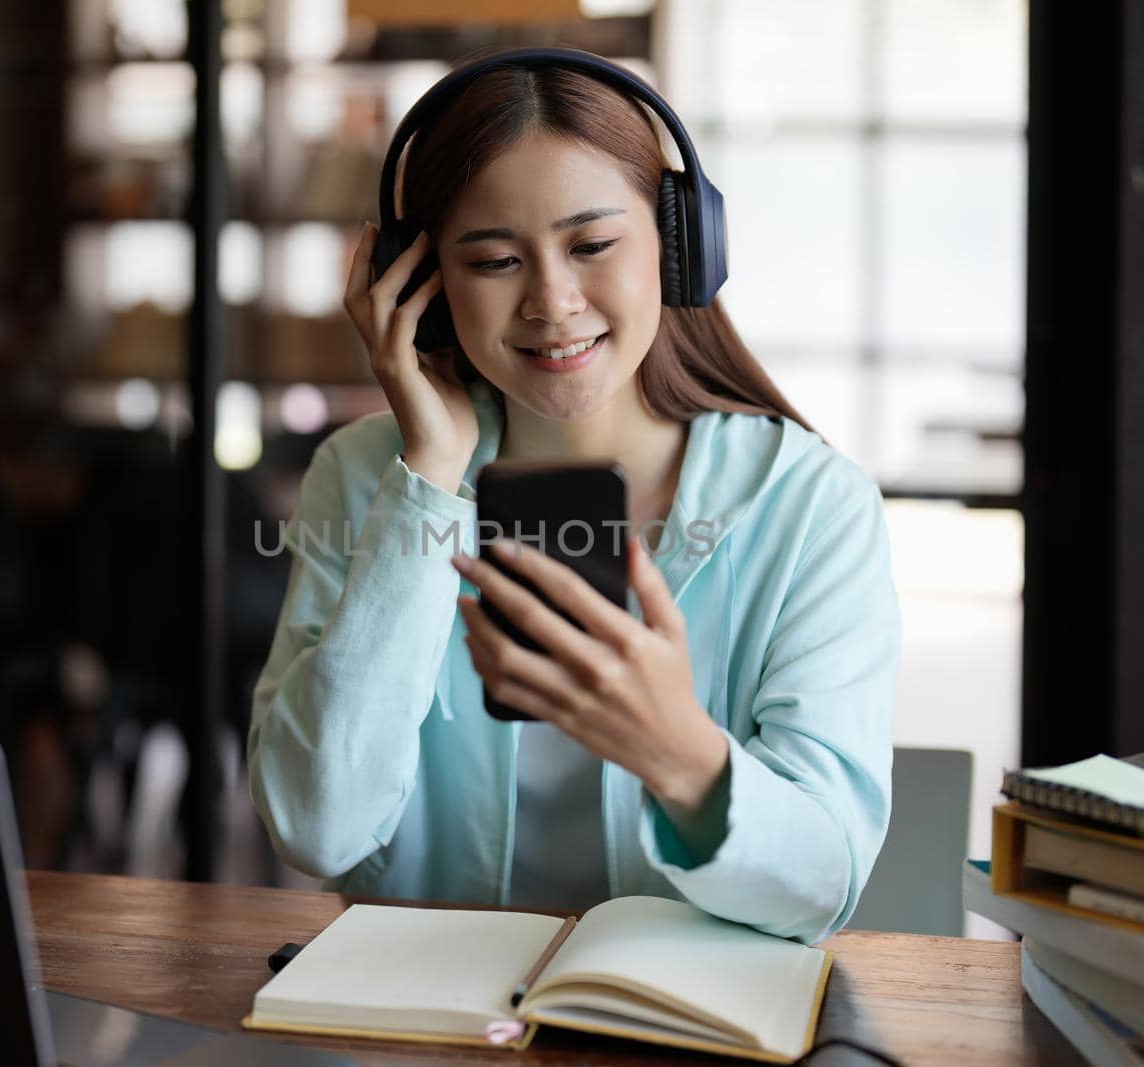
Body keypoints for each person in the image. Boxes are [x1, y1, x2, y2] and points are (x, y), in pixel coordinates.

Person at [246, 48, 900, 944]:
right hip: (424, 1021)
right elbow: (315, 830)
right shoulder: (365, 476)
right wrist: (429, 480)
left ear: (679, 245)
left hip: (680, 1028)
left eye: (592, 245)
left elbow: (823, 883)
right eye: (494, 261)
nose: (552, 302)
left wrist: (680, 752)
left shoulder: (810, 507)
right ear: (423, 283)